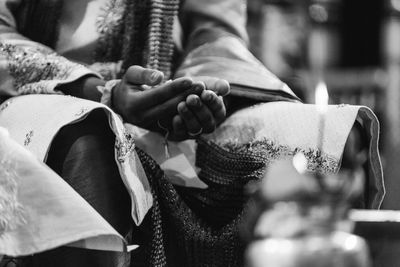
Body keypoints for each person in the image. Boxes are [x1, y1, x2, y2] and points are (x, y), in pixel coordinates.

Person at [0, 0, 384, 266]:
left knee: (325, 137)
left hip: (165, 92)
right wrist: (105, 91)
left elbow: (216, 35)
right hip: (46, 91)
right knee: (87, 131)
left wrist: (196, 95)